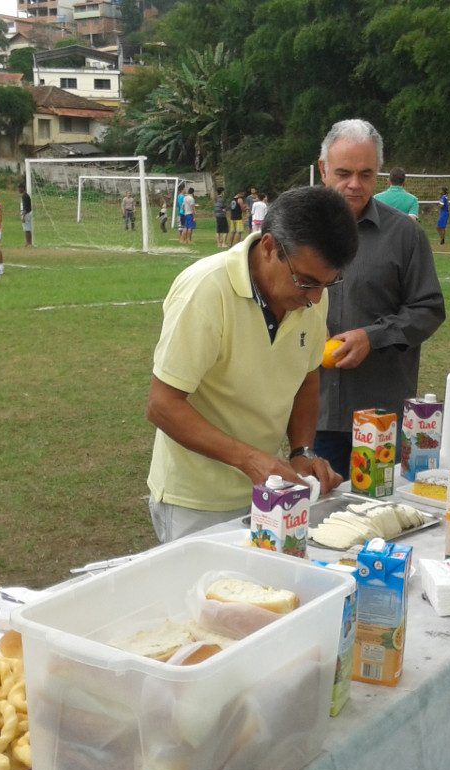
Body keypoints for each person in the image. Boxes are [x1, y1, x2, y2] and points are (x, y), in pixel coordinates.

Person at [145, 186, 356, 543]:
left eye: (328, 283)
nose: (316, 298)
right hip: (197, 502)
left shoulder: (312, 295)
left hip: (269, 490)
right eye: (306, 281)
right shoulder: (205, 291)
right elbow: (162, 405)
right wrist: (250, 460)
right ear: (270, 247)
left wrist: (302, 452)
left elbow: (307, 379)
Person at [315, 119, 445, 479]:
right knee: (315, 519)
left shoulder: (405, 234)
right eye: (343, 172)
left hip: (380, 416)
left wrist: (372, 337)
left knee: (378, 516)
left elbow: (429, 309)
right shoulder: (296, 230)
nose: (354, 184)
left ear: (379, 174)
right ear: (323, 169)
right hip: (312, 412)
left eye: (366, 174)